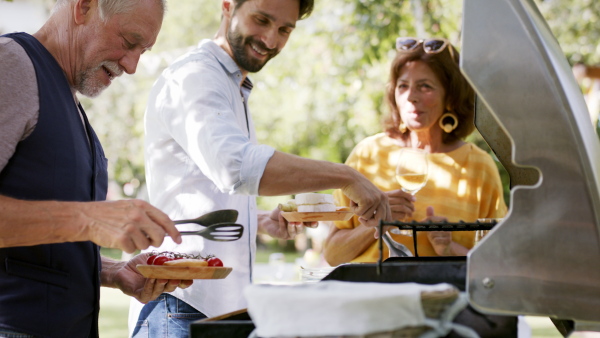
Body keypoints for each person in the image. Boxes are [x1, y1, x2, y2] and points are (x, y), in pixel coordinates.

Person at [129, 0, 392, 336]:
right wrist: (347, 176)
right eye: (261, 19)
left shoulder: (232, 85)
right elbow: (235, 167)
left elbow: (203, 190)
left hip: (216, 307)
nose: (271, 40)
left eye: (285, 30)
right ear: (227, 5)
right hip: (179, 307)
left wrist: (261, 219)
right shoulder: (195, 77)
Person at [0, 0, 192, 337]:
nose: (132, 66)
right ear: (84, 7)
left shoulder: (67, 97)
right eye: (130, 42)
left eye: (143, 51)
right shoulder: (10, 65)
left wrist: (112, 271)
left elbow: (35, 252)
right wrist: (90, 219)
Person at [323, 37, 507, 266]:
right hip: (371, 295)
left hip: (442, 298)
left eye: (425, 86)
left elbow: (496, 265)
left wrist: (449, 249)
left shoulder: (479, 166)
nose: (411, 96)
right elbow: (332, 256)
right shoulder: (367, 154)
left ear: (450, 96)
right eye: (403, 86)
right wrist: (379, 222)